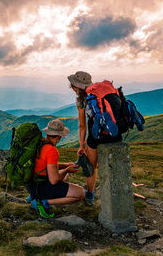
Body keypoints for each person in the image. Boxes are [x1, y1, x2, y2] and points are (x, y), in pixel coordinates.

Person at [68, 71, 122, 205]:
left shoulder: (82, 100)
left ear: (77, 87)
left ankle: (90, 195)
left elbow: (82, 126)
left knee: (91, 166)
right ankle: (118, 194)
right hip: (115, 134)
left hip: (96, 136)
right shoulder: (104, 93)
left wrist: (81, 146)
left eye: (74, 87)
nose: (73, 90)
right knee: (114, 166)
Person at [29, 119, 85, 218]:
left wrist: (65, 165)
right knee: (80, 193)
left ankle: (32, 196)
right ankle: (43, 202)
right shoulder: (52, 150)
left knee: (63, 175)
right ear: (59, 137)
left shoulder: (40, 142)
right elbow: (54, 180)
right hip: (41, 186)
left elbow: (44, 166)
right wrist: (67, 169)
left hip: (31, 184)